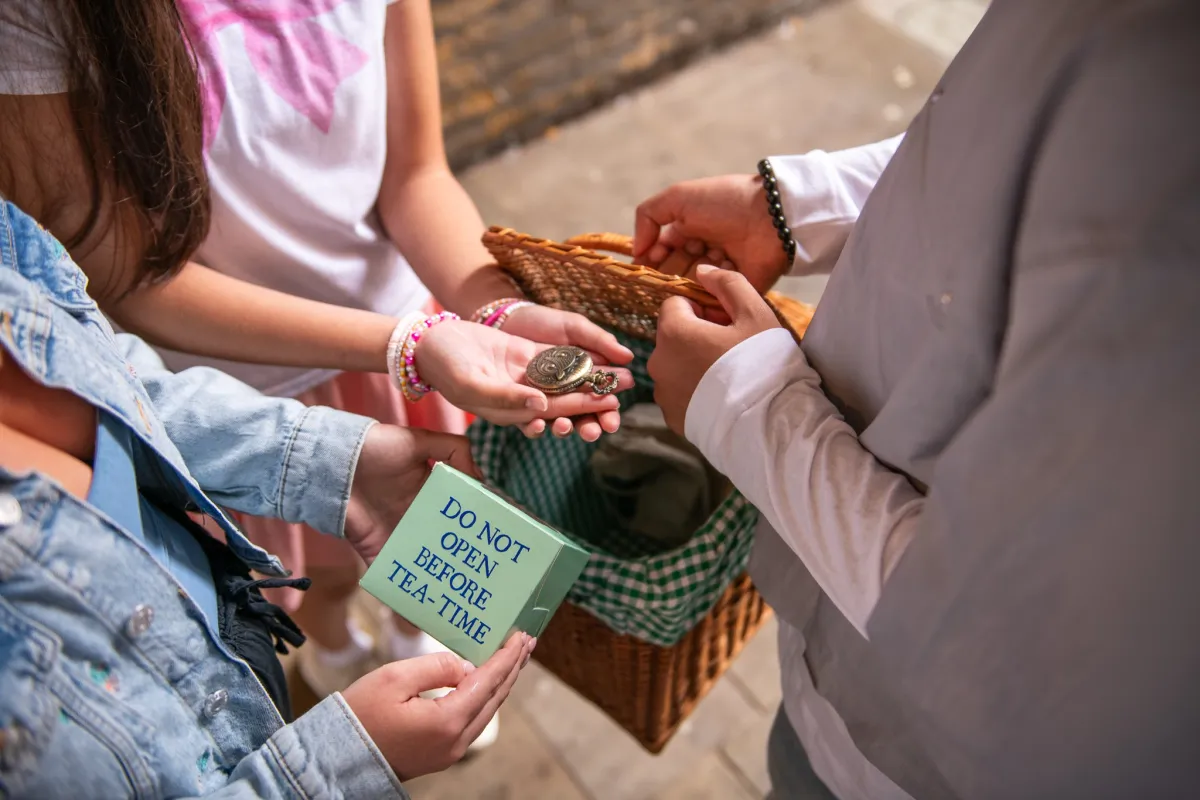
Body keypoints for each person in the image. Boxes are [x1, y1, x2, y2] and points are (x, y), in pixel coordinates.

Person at [0, 0, 632, 727]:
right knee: (323, 571)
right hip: (242, 384)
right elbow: (128, 275)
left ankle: (409, 635)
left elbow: (415, 174)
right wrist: (410, 344)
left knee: (424, 530)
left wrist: (494, 310)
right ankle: (332, 639)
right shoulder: (46, 17)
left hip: (420, 343)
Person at [637, 1, 1200, 797]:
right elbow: (1033, 148)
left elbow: (1011, 644)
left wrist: (749, 402)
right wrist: (800, 207)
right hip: (826, 676)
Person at [0, 192, 534, 797]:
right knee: (326, 581)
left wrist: (340, 464)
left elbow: (110, 376)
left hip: (234, 649)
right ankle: (334, 650)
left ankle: (381, 643)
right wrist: (334, 767)